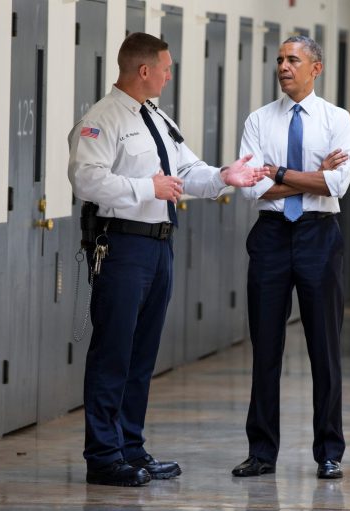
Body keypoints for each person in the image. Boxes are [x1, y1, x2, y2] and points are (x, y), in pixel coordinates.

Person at [67, 32, 268, 487]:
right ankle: (103, 456)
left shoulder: (156, 117)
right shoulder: (103, 119)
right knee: (113, 353)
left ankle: (131, 449)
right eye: (165, 66)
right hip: (121, 247)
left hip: (159, 245)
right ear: (144, 71)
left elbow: (186, 171)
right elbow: (86, 179)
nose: (169, 74)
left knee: (141, 355)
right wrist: (146, 189)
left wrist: (225, 176)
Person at [232, 35, 350, 480]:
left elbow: (337, 185)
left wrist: (280, 174)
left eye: (293, 60)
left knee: (325, 348)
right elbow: (250, 187)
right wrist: (313, 175)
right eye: (280, 59)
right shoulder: (259, 120)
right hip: (270, 237)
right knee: (266, 347)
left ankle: (329, 452)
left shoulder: (336, 119)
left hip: (318, 236)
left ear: (315, 68)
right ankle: (261, 451)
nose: (283, 66)